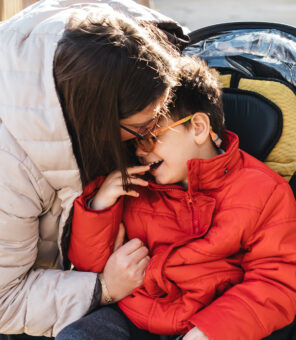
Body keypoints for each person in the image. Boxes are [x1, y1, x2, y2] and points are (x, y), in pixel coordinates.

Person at [66, 56, 296, 340]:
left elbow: (275, 282)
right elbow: (89, 268)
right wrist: (100, 205)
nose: (140, 151)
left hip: (210, 323)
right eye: (134, 141)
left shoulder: (264, 192)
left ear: (198, 128)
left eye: (149, 136)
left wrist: (211, 331)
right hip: (132, 314)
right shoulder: (135, 186)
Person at [0, 0, 189, 338]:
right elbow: (5, 302)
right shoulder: (9, 173)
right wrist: (103, 287)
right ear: (97, 123)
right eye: (146, 127)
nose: (157, 134)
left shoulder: (85, 39)